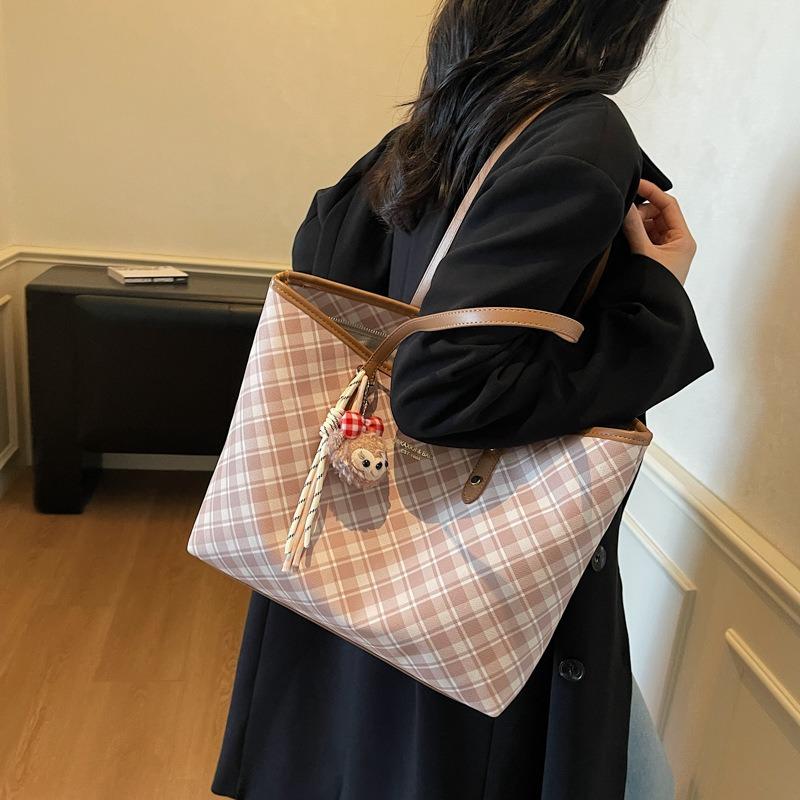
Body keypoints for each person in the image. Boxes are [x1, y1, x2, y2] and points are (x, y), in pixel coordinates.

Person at [212, 1, 713, 798]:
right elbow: (444, 393)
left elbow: (325, 257)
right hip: (463, 584)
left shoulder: (438, 124)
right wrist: (654, 297)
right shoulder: (579, 135)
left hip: (355, 564)